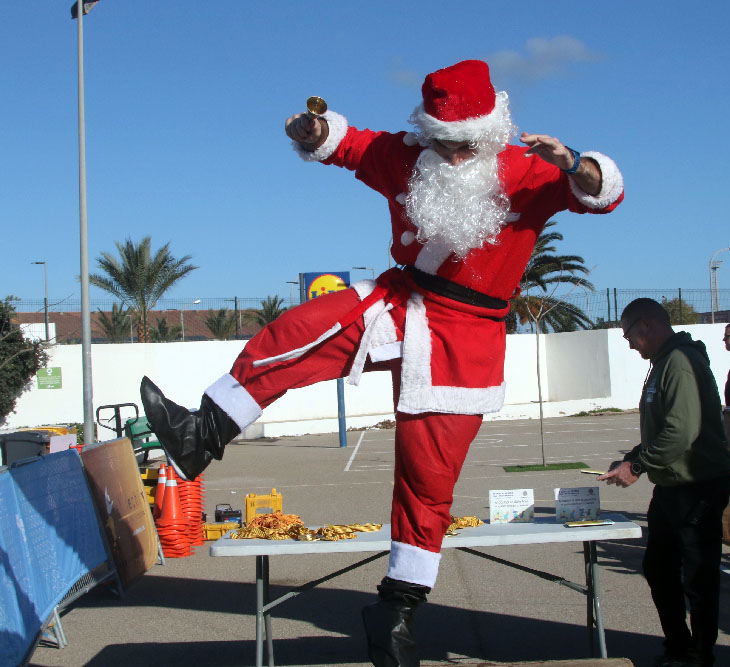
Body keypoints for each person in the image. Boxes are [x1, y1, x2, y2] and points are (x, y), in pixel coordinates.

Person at [140, 59, 624, 666]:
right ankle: (203, 431)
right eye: (441, 140)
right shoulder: (405, 156)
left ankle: (397, 609)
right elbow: (348, 146)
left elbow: (604, 194)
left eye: (462, 141)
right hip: (403, 298)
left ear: (491, 126)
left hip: (467, 338)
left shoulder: (530, 172)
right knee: (299, 328)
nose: (451, 154)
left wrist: (574, 163)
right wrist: (313, 134)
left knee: (427, 482)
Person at [601, 298, 730, 667]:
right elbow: (666, 427)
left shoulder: (680, 363)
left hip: (698, 485)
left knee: (698, 577)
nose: (628, 343)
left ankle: (699, 655)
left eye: (628, 333)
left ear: (646, 325)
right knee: (658, 567)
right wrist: (633, 457)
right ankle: (680, 645)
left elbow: (681, 432)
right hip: (674, 485)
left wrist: (638, 466)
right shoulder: (662, 364)